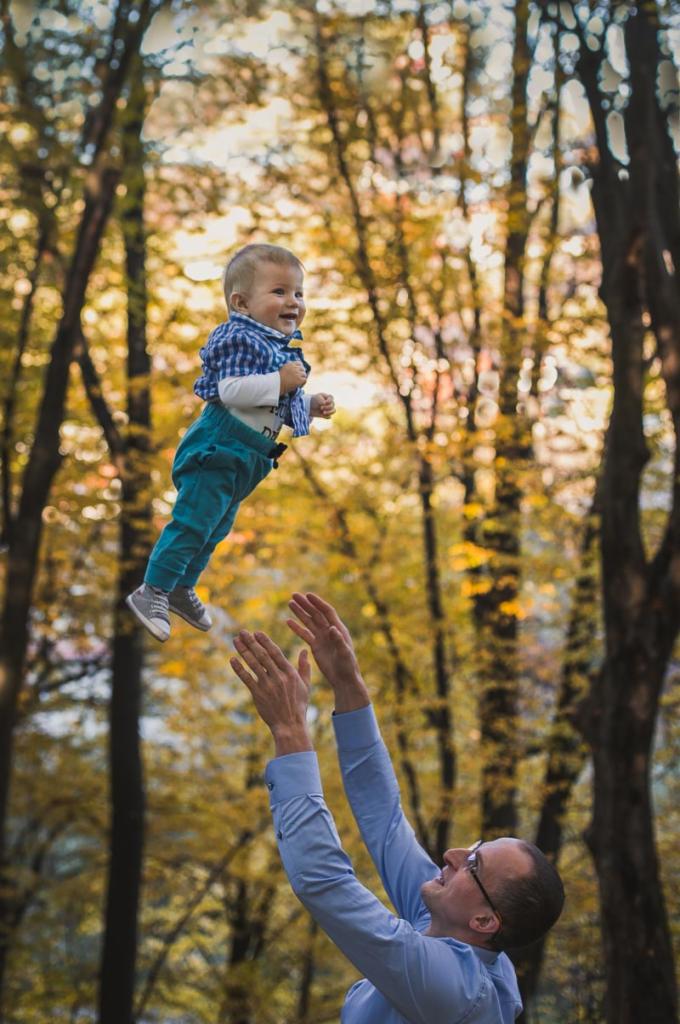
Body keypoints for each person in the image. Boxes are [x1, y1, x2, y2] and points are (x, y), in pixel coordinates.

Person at [230, 593, 565, 1024]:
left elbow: (325, 883)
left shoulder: (454, 990)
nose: (453, 855)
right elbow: (383, 816)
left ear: (485, 920)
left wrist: (291, 733)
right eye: (474, 847)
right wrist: (348, 684)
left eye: (474, 864)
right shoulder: (451, 925)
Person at [126, 244, 335, 642]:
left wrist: (309, 404)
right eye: (279, 292)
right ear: (241, 303)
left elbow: (271, 406)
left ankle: (181, 587)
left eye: (298, 293)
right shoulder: (239, 337)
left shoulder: (277, 349)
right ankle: (152, 589)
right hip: (219, 447)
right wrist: (281, 382)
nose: (293, 301)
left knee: (215, 528)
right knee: (192, 523)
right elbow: (233, 390)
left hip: (248, 457)